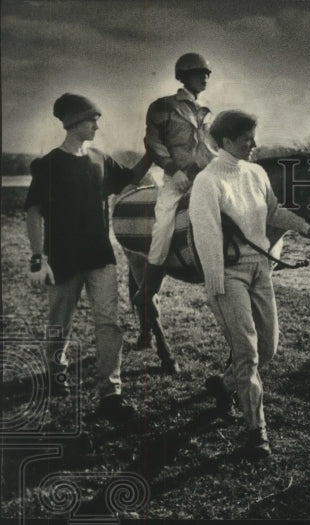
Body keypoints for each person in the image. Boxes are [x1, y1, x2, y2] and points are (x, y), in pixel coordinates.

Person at [189, 110, 310, 459]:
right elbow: (205, 237)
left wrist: (307, 229)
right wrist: (216, 284)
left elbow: (273, 212)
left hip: (260, 271)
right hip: (228, 274)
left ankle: (223, 385)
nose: (255, 144)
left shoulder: (257, 172)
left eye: (254, 137)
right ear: (226, 142)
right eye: (248, 138)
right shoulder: (207, 181)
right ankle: (256, 433)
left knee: (268, 347)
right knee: (247, 352)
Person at [25, 93, 143, 423]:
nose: (97, 125)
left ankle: (111, 394)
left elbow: (131, 178)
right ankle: (55, 371)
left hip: (100, 257)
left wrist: (154, 148)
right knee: (59, 323)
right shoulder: (48, 165)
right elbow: (33, 213)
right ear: (74, 122)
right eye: (92, 119)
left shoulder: (99, 159)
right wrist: (38, 259)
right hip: (62, 259)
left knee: (109, 323)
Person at [133, 52, 217, 342]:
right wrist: (173, 168)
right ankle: (147, 292)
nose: (204, 77)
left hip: (207, 177)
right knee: (163, 226)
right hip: (176, 179)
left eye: (206, 73)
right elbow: (153, 143)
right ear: (182, 76)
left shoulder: (208, 111)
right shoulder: (162, 107)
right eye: (197, 73)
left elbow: (211, 148)